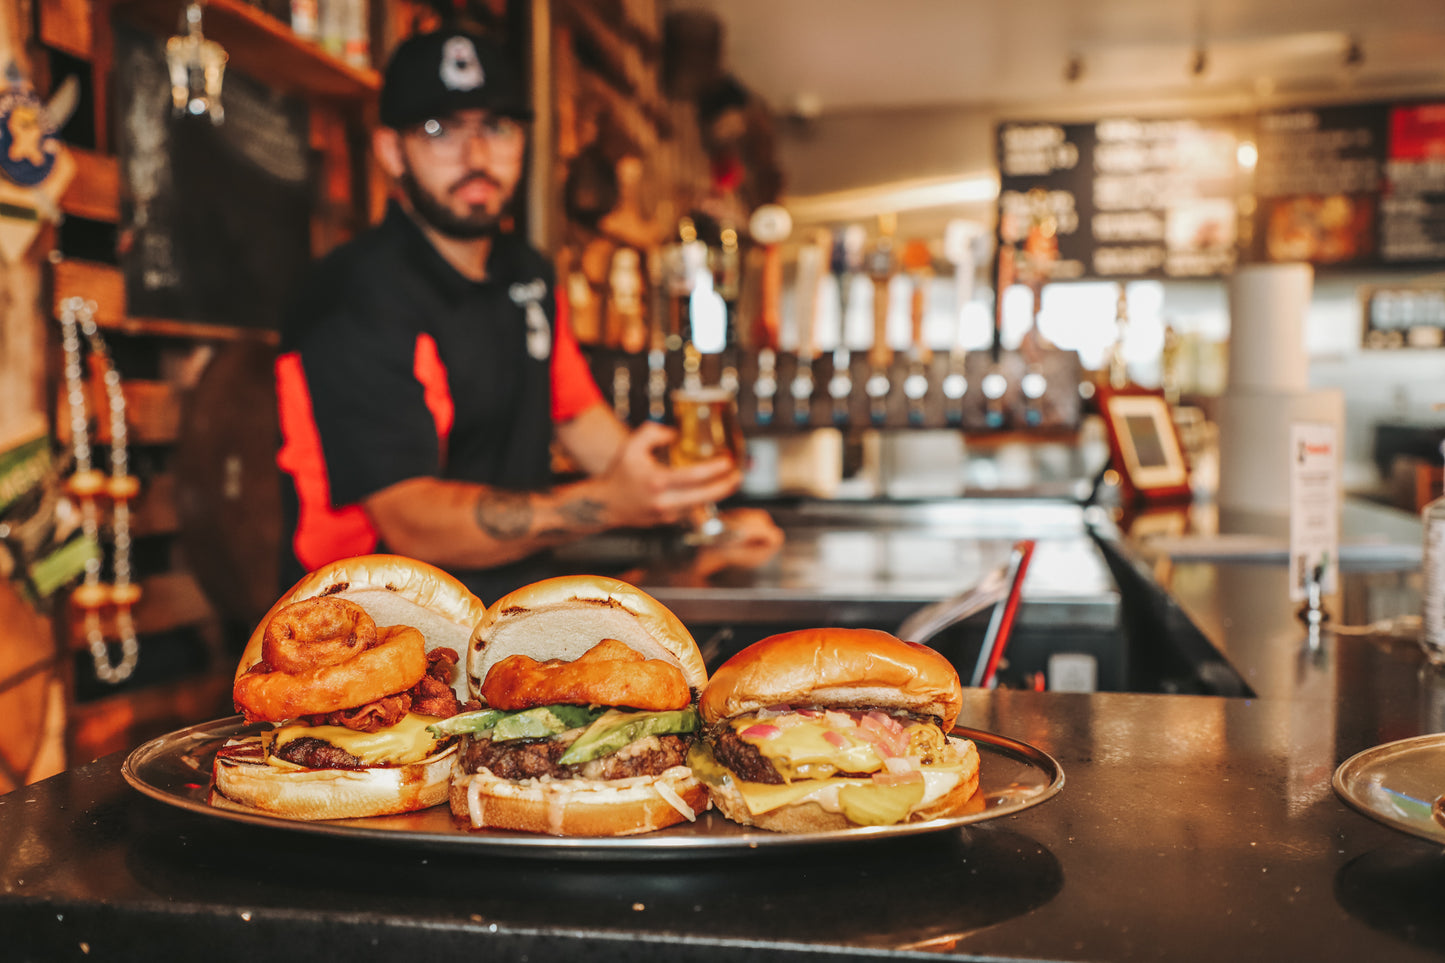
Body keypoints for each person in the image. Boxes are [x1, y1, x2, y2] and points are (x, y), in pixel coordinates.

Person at [274, 27, 780, 602]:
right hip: (362, 631)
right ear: (392, 151)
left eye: (497, 127)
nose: (477, 156)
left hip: (502, 616)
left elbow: (581, 418)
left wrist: (696, 518)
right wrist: (611, 504)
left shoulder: (527, 274)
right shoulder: (353, 294)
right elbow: (408, 521)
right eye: (440, 130)